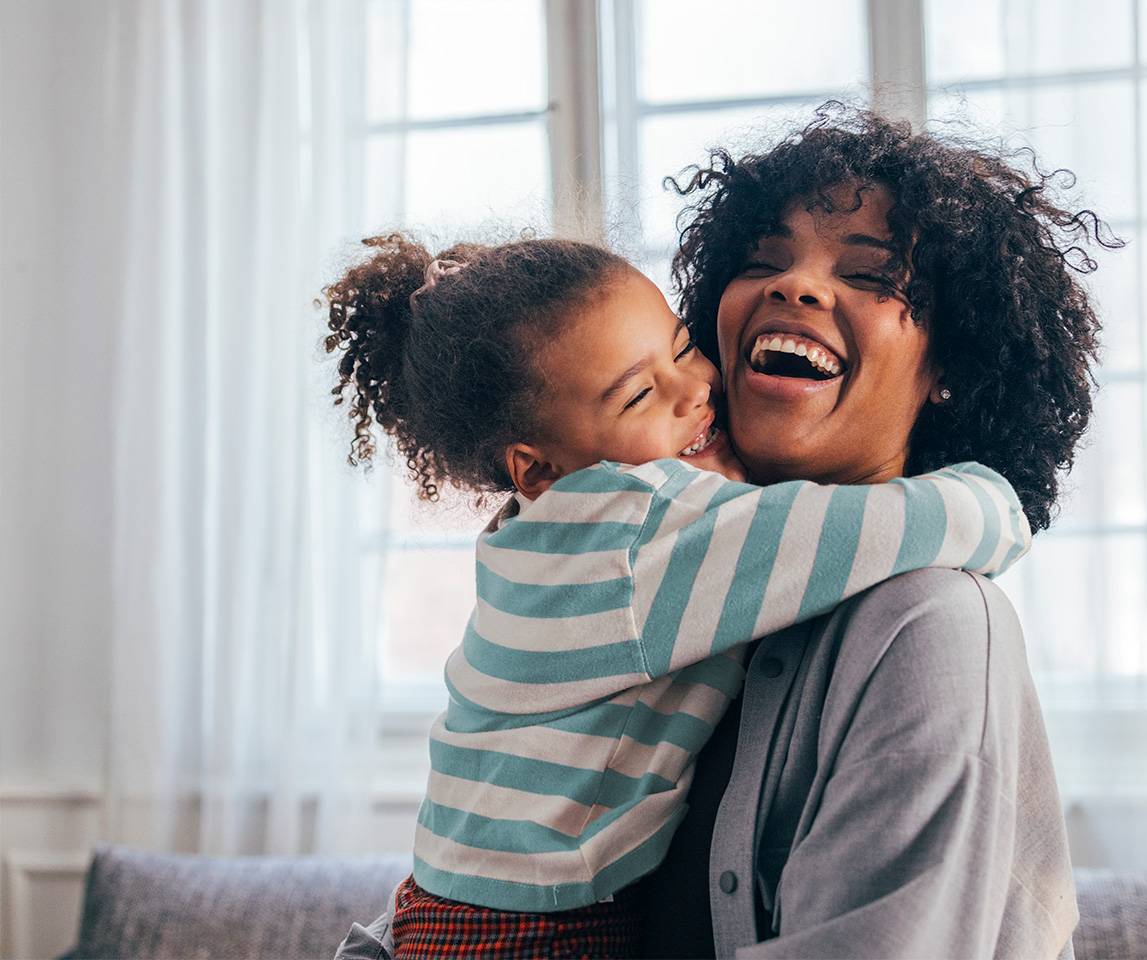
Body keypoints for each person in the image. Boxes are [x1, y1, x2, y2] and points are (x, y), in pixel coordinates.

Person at [321, 232, 1032, 959]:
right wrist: (1000, 497)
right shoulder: (635, 527)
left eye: (684, 347)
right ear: (540, 469)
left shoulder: (551, 533)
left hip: (454, 910)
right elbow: (900, 526)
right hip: (532, 934)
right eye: (639, 395)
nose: (696, 389)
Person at [626, 103, 1116, 958]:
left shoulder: (933, 624)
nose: (795, 286)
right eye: (762, 262)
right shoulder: (658, 577)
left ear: (950, 368)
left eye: (871, 275)